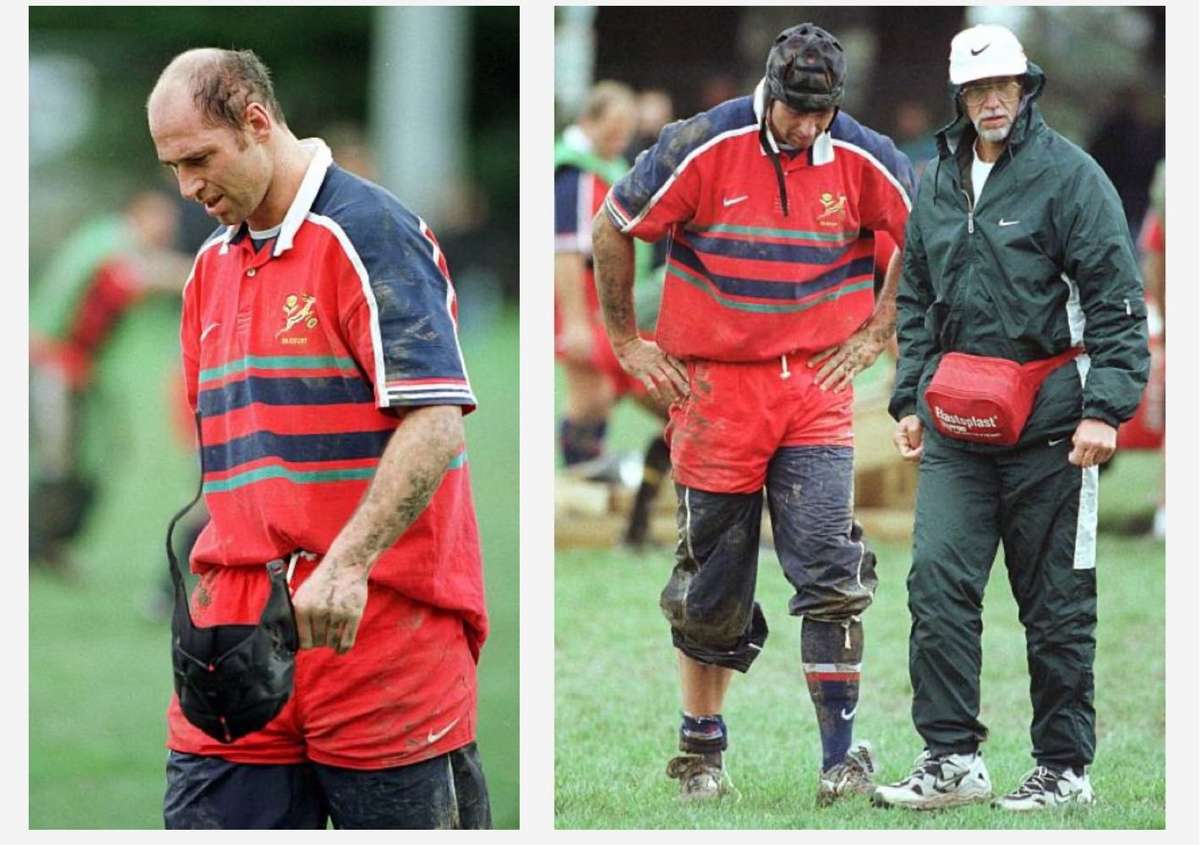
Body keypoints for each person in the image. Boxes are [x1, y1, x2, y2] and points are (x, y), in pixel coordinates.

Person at [146, 48, 491, 829]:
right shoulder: (208, 267)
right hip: (235, 637)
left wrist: (347, 563)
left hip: (377, 628)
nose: (187, 187)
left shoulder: (372, 233)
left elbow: (435, 420)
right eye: (172, 168)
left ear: (256, 122)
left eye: (199, 159)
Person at [592, 23, 914, 803]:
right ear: (769, 91)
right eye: (795, 111)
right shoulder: (700, 143)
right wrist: (627, 340)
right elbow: (613, 225)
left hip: (815, 388)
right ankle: (702, 751)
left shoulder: (864, 153)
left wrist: (879, 327)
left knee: (832, 567)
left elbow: (926, 229)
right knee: (713, 580)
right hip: (718, 391)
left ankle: (839, 759)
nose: (807, 127)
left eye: (821, 113)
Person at [876, 24, 1149, 812]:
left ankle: (1063, 769)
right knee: (935, 585)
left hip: (1055, 431)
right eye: (977, 89)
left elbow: (1117, 302)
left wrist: (1105, 410)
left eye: (1005, 85)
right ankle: (951, 759)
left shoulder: (1072, 178)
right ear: (959, 97)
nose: (992, 100)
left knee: (1057, 604)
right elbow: (916, 296)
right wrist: (909, 395)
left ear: (1026, 88)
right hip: (956, 431)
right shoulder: (936, 180)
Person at [30, 188, 193, 575]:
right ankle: (36, 543)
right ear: (136, 213)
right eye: (159, 219)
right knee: (60, 460)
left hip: (86, 371)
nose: (165, 229)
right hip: (54, 364)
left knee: (98, 456)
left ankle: (54, 542)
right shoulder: (105, 242)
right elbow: (141, 276)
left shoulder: (125, 248)